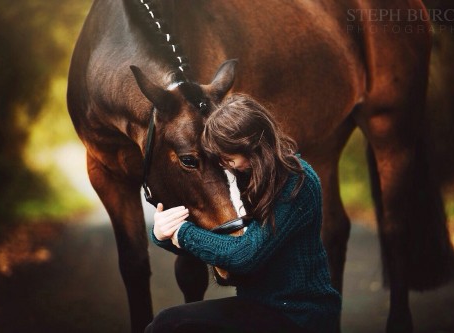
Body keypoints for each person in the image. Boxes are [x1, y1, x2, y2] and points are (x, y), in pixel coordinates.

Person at [145, 94, 341, 333]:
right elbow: (219, 243)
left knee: (168, 325)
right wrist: (163, 234)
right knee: (166, 323)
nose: (224, 163)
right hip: (258, 305)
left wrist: (183, 233)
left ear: (251, 145)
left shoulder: (297, 182)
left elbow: (245, 255)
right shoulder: (246, 176)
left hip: (298, 314)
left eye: (227, 156)